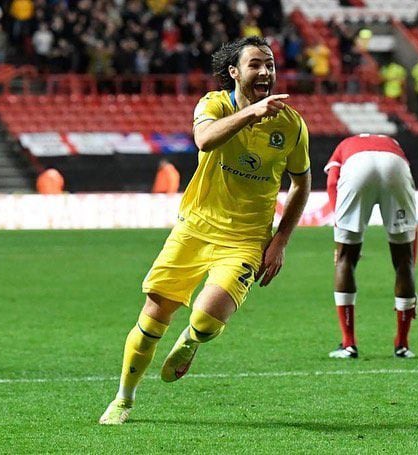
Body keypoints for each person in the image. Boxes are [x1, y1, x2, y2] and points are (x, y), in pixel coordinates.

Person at [99, 36, 311, 425]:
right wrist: (251, 113)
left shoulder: (291, 124)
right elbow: (205, 139)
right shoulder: (214, 104)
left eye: (270, 64)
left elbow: (301, 183)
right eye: (255, 65)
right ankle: (123, 400)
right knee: (153, 317)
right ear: (234, 72)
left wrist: (280, 240)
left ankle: (191, 341)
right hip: (194, 229)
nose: (265, 71)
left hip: (246, 239)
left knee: (208, 319)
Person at [325, 134, 418, 360]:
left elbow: (331, 182)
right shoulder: (394, 144)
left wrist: (340, 231)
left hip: (356, 167)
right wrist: (412, 261)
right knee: (403, 261)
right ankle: (402, 345)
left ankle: (348, 344)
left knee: (346, 259)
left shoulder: (344, 145)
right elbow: (413, 224)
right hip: (395, 167)